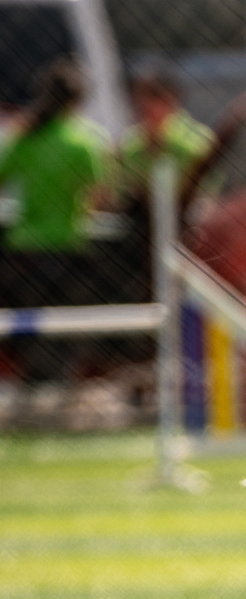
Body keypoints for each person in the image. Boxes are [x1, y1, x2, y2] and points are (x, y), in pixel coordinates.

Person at [0, 59, 110, 382]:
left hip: (22, 250)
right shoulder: (85, 142)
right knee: (64, 324)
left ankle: (31, 380)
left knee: (26, 323)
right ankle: (59, 384)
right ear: (78, 101)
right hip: (65, 246)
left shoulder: (24, 137)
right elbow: (102, 198)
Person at [113, 72, 215, 303]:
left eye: (152, 104)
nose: (146, 113)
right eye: (141, 107)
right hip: (144, 240)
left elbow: (210, 196)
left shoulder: (196, 144)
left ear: (171, 103)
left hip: (188, 235)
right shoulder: (130, 147)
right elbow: (119, 193)